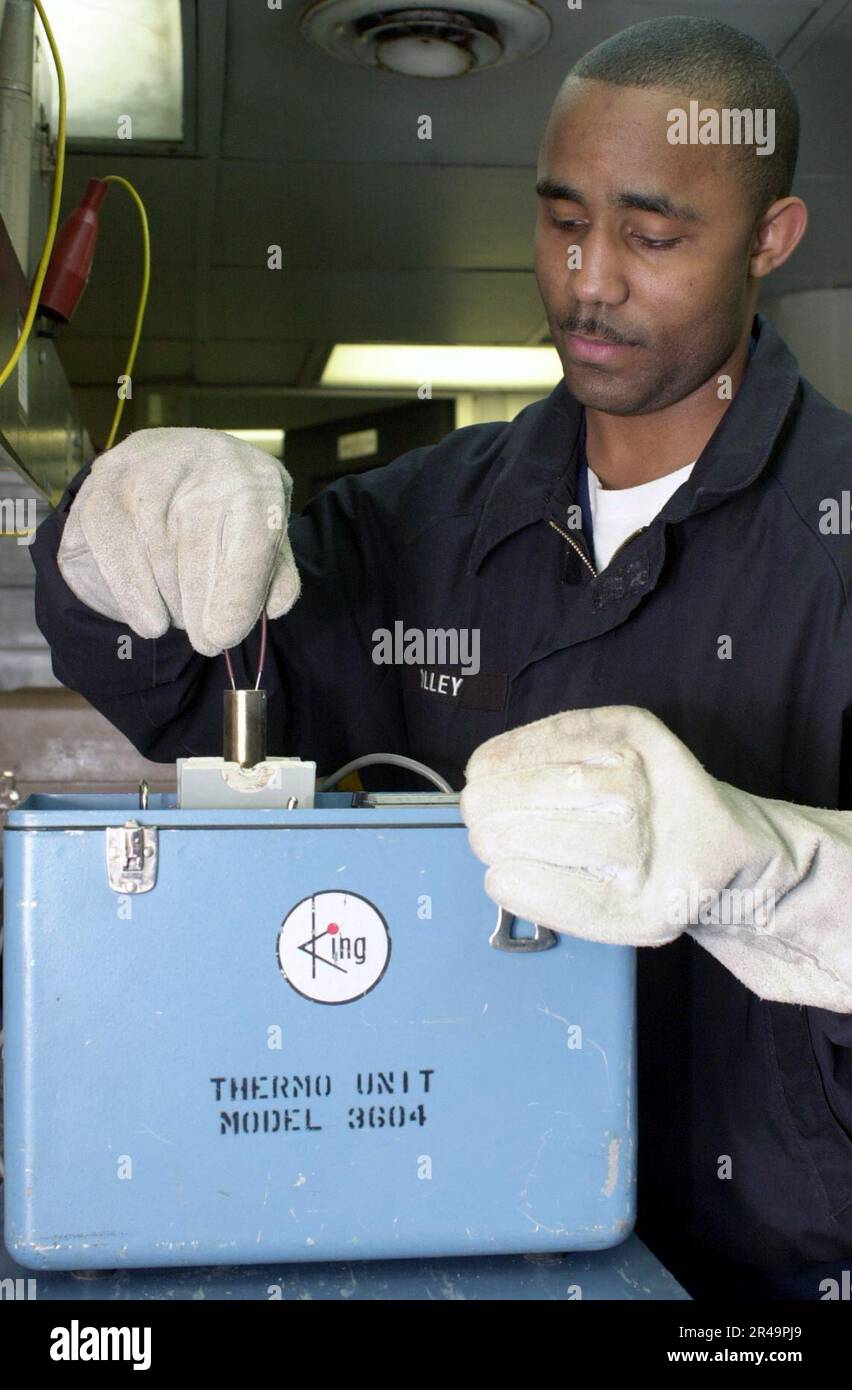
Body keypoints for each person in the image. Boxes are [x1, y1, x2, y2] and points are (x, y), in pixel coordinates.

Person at [29, 16, 852, 1300]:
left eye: (652, 235)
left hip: (774, 1274)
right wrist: (105, 559)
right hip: (471, 1229)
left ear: (770, 239)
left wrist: (778, 872)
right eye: (562, 218)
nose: (587, 280)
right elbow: (207, 690)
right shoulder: (419, 523)